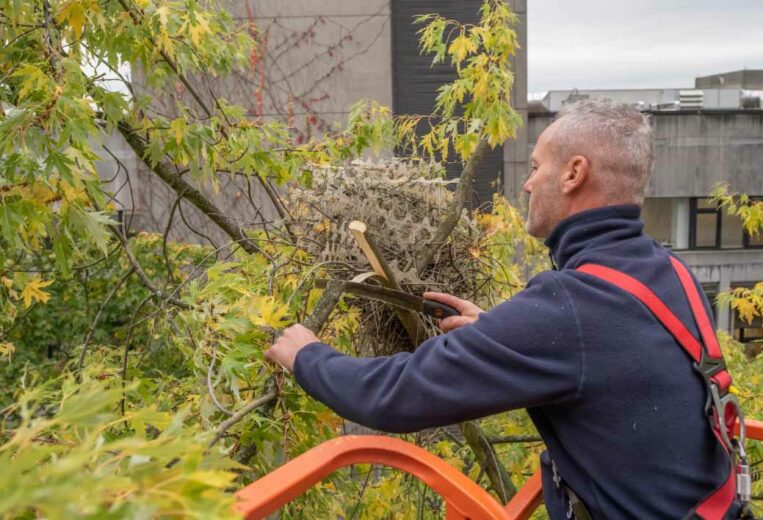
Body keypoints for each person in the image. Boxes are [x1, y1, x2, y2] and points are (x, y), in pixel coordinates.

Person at [265, 100, 747, 519]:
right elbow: (610, 359)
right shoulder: (668, 269)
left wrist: (307, 355)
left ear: (574, 174)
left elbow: (397, 395)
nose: (528, 184)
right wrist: (496, 332)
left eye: (536, 167)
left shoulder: (567, 308)